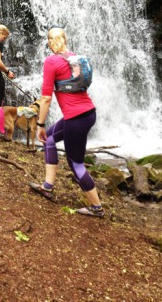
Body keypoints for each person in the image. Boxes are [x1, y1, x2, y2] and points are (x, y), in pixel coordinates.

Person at [33, 27, 104, 217]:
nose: (50, 42)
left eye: (50, 39)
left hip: (75, 119)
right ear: (65, 39)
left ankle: (97, 208)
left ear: (50, 41)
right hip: (87, 113)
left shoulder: (51, 61)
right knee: (49, 140)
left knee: (76, 164)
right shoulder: (73, 58)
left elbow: (46, 98)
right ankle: (47, 186)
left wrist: (40, 124)